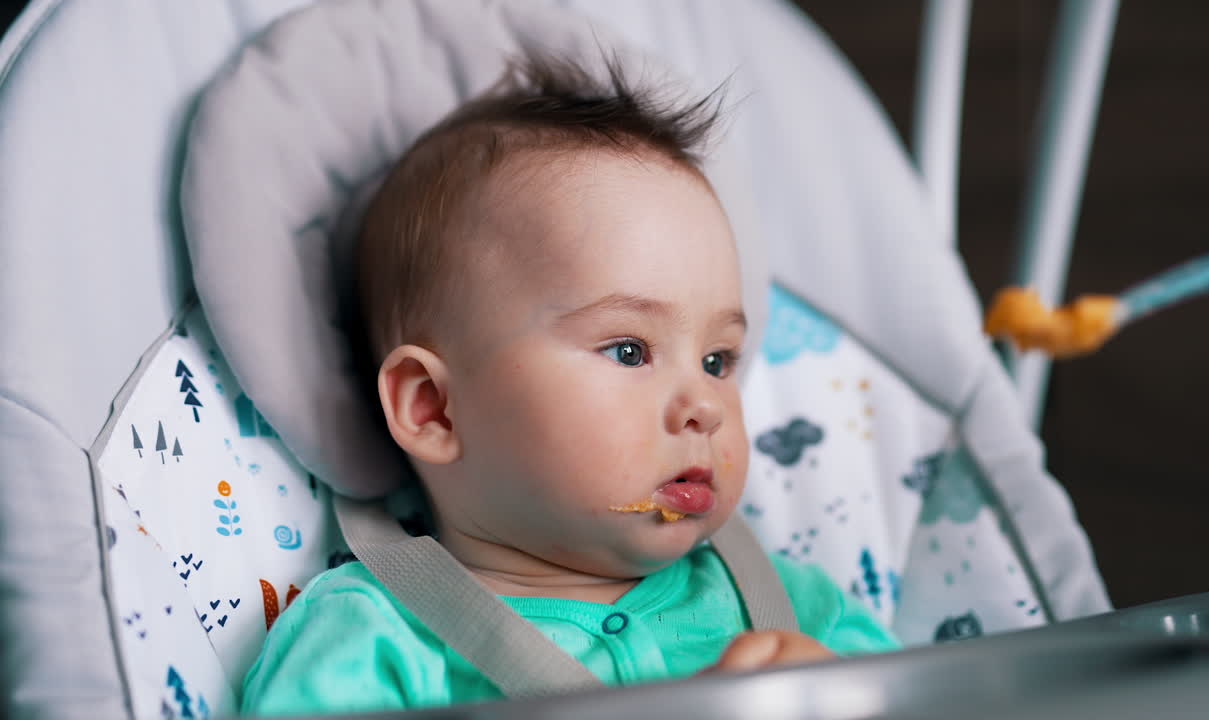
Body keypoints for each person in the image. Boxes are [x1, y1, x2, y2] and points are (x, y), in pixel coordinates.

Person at [240, 52, 897, 715]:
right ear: (433, 408)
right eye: (630, 349)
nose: (705, 405)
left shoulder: (791, 608)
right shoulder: (373, 641)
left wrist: (833, 691)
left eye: (717, 361)